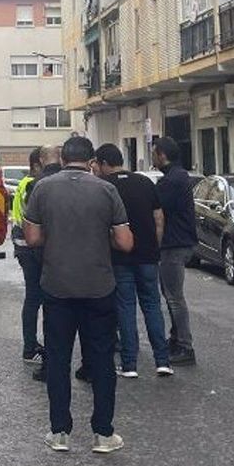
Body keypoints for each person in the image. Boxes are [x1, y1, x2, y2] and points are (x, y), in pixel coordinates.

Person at [24, 135, 132, 454]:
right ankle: (103, 433)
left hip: (57, 285)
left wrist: (55, 235)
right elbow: (125, 243)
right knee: (100, 359)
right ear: (90, 161)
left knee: (57, 359)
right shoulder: (106, 189)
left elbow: (32, 237)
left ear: (63, 158)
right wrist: (104, 238)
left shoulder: (43, 188)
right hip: (98, 287)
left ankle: (59, 432)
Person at [94, 143, 172, 379]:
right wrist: (154, 246)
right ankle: (163, 361)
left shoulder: (106, 187)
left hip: (119, 258)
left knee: (125, 307)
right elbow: (159, 219)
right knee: (152, 306)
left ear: (105, 163)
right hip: (148, 256)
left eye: (98, 164)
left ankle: (129, 365)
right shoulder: (145, 183)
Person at [152, 136, 198, 366]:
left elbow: (156, 209)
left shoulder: (172, 181)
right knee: (171, 295)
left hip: (173, 245)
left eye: (154, 153)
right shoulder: (178, 176)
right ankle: (176, 338)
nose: (153, 157)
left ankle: (184, 345)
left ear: (162, 154)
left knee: (173, 297)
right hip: (180, 243)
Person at [10, 146, 55, 364]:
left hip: (22, 245)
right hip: (31, 247)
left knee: (32, 297)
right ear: (38, 163)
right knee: (37, 297)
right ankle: (32, 346)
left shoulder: (23, 183)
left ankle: (30, 345)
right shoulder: (33, 184)